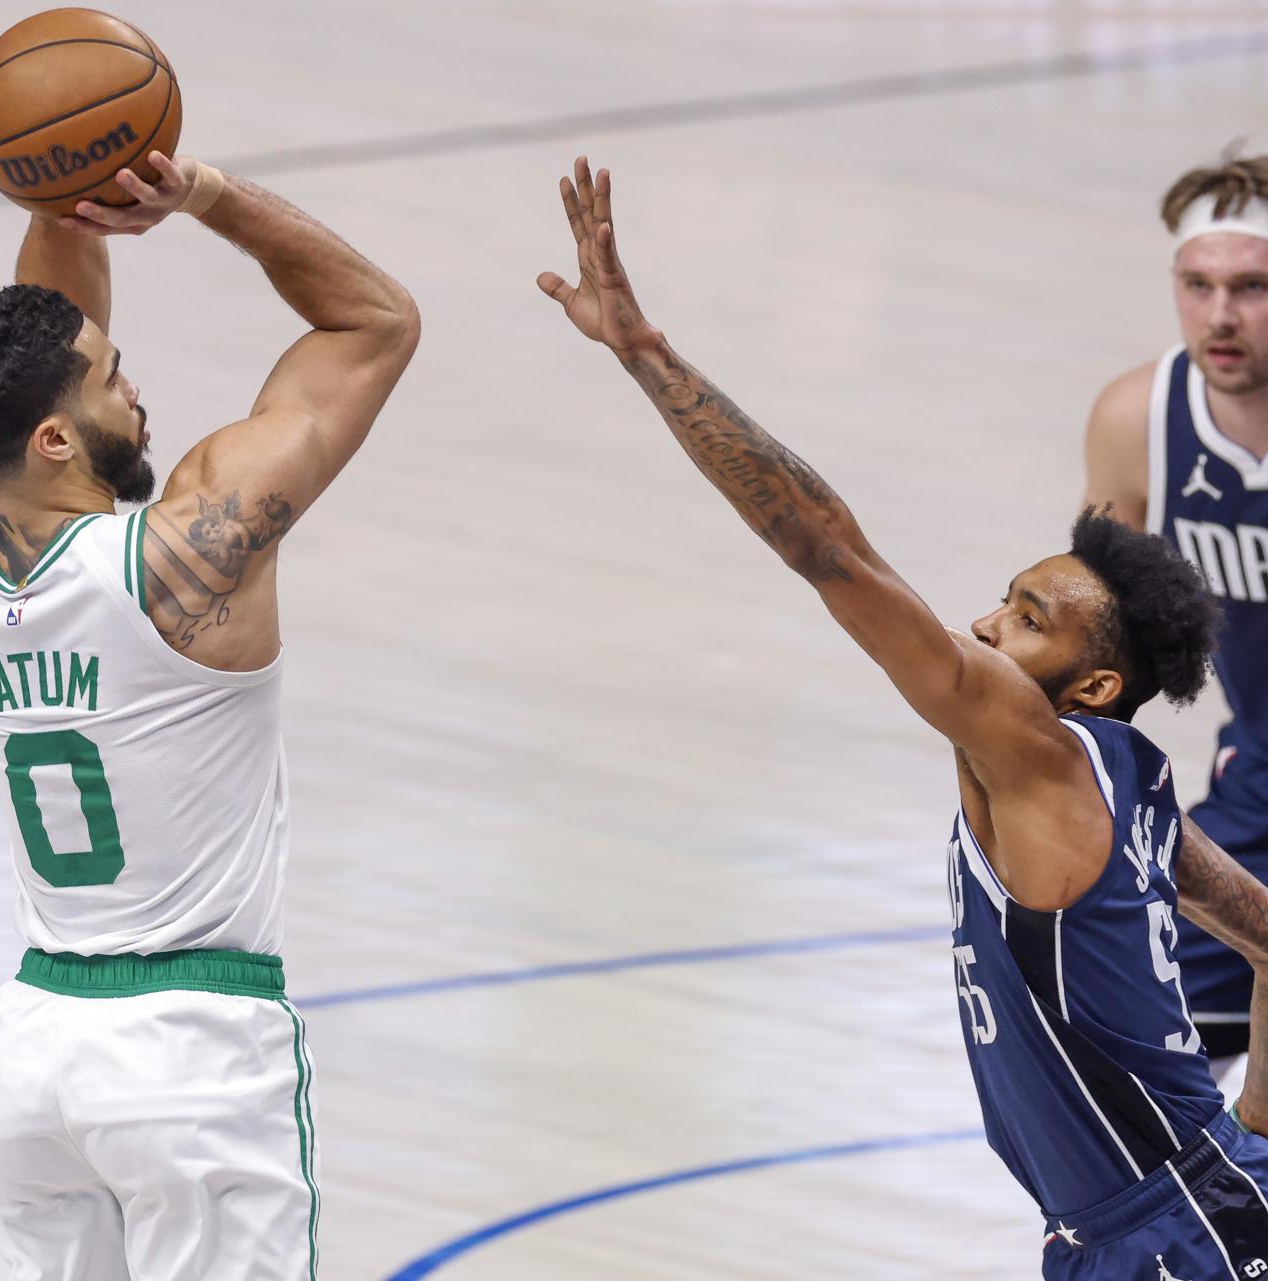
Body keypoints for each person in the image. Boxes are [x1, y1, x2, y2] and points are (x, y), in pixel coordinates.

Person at [540, 154, 1268, 1277]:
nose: (982, 629)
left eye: (1027, 621)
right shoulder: (1133, 791)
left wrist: (648, 356)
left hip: (1174, 1233)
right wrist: (1252, 1143)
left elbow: (827, 547)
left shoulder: (1042, 751)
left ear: (1091, 691)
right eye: (1004, 599)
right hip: (1164, 1218)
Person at [0, 77, 417, 1280]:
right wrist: (201, 195)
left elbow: (28, 353)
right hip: (193, 1047)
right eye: (111, 375)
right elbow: (372, 325)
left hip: (33, 1054)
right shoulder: (186, 559)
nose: (136, 385)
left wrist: (64, 201)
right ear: (58, 440)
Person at [1085, 148, 1268, 1085]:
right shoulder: (1139, 419)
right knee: (1133, 1039)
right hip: (1257, 792)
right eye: (1198, 285)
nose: (1221, 315)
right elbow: (1092, 639)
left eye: (1251, 287)